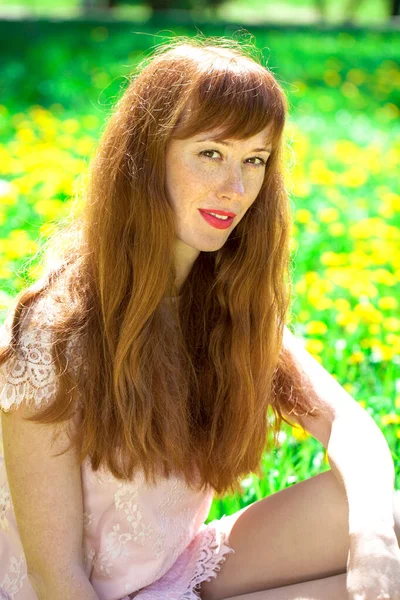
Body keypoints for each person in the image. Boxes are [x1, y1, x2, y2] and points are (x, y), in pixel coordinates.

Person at [0, 36, 399, 600]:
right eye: (211, 153)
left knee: (390, 524)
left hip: (180, 572)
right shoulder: (52, 332)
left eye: (254, 160)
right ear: (146, 157)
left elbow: (350, 427)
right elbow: (54, 578)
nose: (235, 189)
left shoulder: (223, 302)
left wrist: (373, 551)